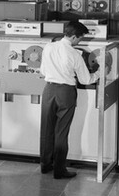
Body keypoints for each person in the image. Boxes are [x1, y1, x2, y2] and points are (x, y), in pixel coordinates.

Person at [38, 20, 101, 179]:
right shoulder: (75, 54)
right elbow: (86, 80)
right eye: (80, 39)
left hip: (49, 90)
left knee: (46, 130)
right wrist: (101, 72)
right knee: (61, 132)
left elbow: (43, 71)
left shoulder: (48, 47)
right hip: (65, 93)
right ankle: (59, 170)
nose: (80, 42)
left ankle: (45, 165)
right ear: (73, 37)